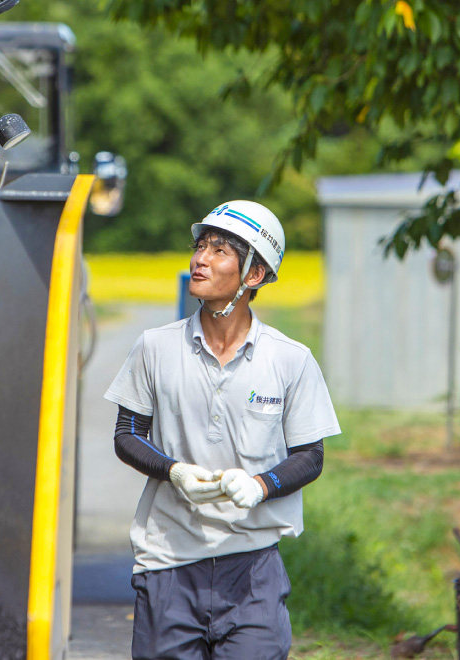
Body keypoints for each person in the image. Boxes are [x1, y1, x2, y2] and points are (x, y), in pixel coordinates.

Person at [104, 200, 341, 660]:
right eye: (200, 246)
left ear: (253, 275)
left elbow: (310, 455)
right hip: (168, 561)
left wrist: (260, 485)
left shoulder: (290, 359)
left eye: (219, 250)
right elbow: (127, 434)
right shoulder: (155, 347)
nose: (200, 259)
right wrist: (173, 471)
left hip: (253, 566)